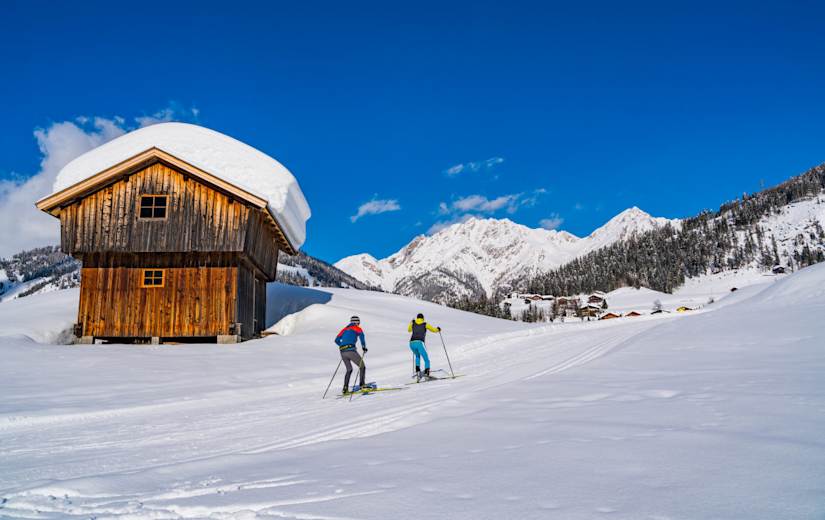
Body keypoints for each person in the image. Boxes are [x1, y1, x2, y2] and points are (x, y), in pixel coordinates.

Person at [335, 315, 367, 393]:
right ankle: (362, 385)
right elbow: (362, 337)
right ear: (357, 322)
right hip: (351, 351)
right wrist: (363, 347)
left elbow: (336, 340)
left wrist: (343, 346)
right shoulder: (357, 328)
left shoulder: (344, 329)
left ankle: (345, 389)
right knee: (362, 366)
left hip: (342, 352)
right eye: (358, 322)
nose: (359, 323)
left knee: (349, 369)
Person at [408, 313, 441, 379]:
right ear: (423, 318)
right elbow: (433, 330)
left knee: (417, 356)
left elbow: (409, 330)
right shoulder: (425, 324)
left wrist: (411, 322)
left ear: (417, 318)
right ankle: (426, 373)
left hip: (411, 343)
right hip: (419, 343)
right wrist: (438, 329)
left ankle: (418, 371)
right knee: (426, 359)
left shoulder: (413, 323)